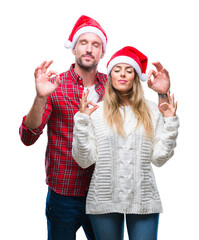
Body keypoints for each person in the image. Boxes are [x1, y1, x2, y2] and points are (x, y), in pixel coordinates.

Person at [19, 14, 170, 239]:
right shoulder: (55, 87)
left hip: (107, 195)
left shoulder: (113, 85)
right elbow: (27, 137)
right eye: (83, 43)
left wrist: (162, 93)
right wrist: (40, 97)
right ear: (74, 49)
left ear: (102, 52)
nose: (89, 49)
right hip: (65, 193)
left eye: (95, 44)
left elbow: (142, 120)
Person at [72, 46, 179, 240]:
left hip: (143, 198)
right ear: (110, 75)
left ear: (135, 78)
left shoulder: (152, 111)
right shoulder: (95, 112)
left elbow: (159, 158)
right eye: (117, 69)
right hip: (104, 198)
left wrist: (170, 122)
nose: (122, 74)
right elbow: (84, 160)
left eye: (129, 70)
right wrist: (82, 121)